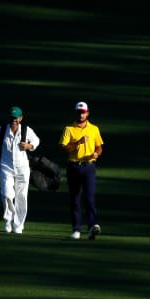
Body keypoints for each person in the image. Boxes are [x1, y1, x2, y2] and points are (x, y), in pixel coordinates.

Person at [0, 106, 41, 234]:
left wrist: (29, 146)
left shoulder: (26, 130)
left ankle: (19, 225)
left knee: (22, 197)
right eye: (11, 118)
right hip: (6, 166)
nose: (13, 120)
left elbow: (37, 141)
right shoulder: (2, 130)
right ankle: (8, 220)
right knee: (6, 194)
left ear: (20, 118)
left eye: (16, 118)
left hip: (23, 168)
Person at [60, 101, 104, 240]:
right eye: (79, 112)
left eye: (83, 112)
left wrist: (97, 154)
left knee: (90, 199)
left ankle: (92, 227)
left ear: (87, 113)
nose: (81, 114)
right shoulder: (69, 129)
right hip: (73, 166)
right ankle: (76, 229)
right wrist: (78, 143)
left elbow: (99, 146)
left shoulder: (94, 129)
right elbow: (65, 148)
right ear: (76, 113)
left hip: (88, 166)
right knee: (75, 200)